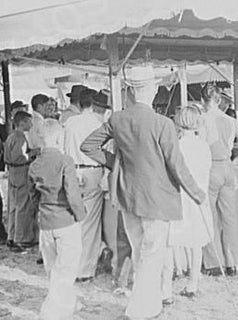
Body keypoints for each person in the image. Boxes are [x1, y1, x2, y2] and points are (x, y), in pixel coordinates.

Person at [80, 65, 206, 319]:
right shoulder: (163, 124)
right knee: (152, 255)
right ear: (153, 90)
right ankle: (141, 309)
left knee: (141, 253)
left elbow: (88, 146)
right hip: (157, 199)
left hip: (128, 196)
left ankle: (149, 305)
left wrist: (115, 163)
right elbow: (176, 164)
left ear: (130, 93)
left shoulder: (117, 118)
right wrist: (197, 194)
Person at [28, 119, 85, 320]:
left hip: (45, 222)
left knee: (53, 268)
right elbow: (72, 193)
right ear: (60, 137)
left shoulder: (34, 165)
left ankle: (68, 303)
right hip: (66, 220)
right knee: (66, 269)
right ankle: (51, 311)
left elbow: (32, 196)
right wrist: (80, 215)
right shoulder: (65, 161)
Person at [200, 84, 238, 277]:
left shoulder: (202, 120)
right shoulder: (230, 120)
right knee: (230, 217)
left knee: (210, 216)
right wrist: (235, 162)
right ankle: (232, 262)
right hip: (227, 167)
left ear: (202, 101)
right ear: (219, 100)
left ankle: (214, 263)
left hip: (210, 167)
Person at [167, 106, 214, 297]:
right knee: (196, 241)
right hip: (199, 195)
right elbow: (206, 171)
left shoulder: (176, 146)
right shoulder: (203, 146)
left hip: (180, 196)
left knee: (173, 239)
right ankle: (193, 282)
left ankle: (167, 285)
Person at [64, 88, 105, 282]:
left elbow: (64, 149)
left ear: (79, 103)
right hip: (92, 170)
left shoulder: (70, 122)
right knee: (90, 222)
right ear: (94, 104)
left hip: (73, 170)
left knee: (74, 220)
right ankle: (86, 268)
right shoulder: (97, 123)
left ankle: (72, 264)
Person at [4, 111, 37, 252]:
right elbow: (21, 157)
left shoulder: (10, 137)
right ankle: (21, 238)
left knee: (12, 206)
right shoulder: (20, 138)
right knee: (22, 205)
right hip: (21, 171)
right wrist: (34, 152)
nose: (31, 124)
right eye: (29, 122)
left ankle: (11, 236)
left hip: (12, 172)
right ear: (22, 123)